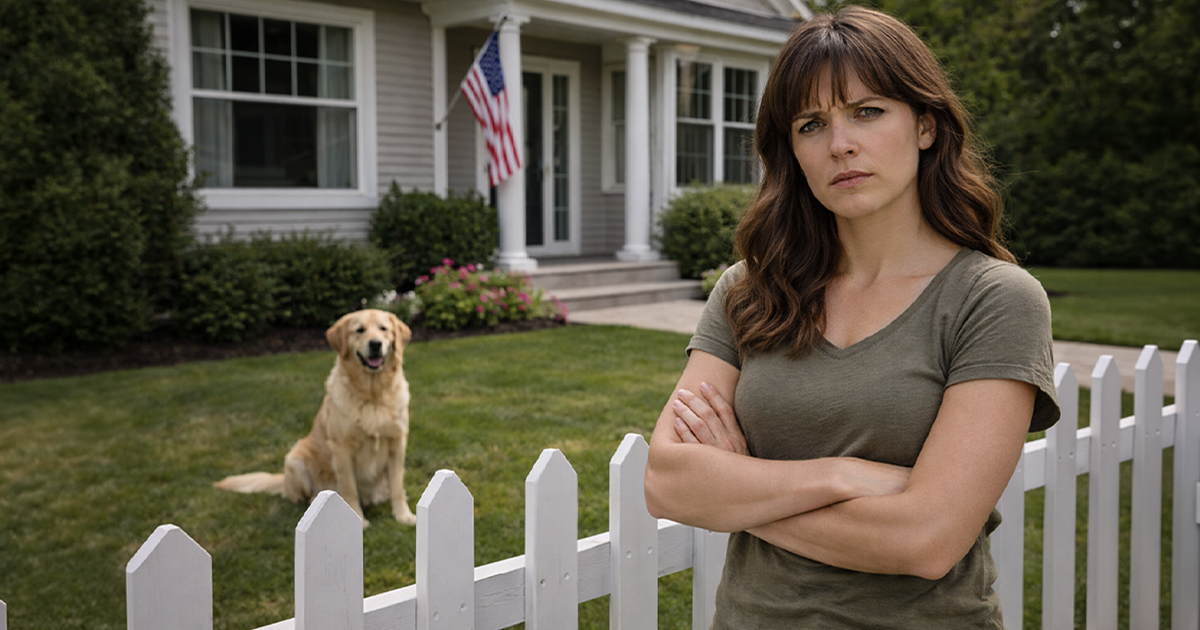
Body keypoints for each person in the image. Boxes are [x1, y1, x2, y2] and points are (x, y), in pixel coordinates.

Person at [643, 5, 1060, 628]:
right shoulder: (749, 291)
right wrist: (847, 475)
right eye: (812, 124)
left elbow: (926, 541)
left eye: (868, 112)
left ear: (924, 125)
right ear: (792, 150)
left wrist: (738, 491)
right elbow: (668, 484)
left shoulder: (994, 300)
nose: (841, 144)